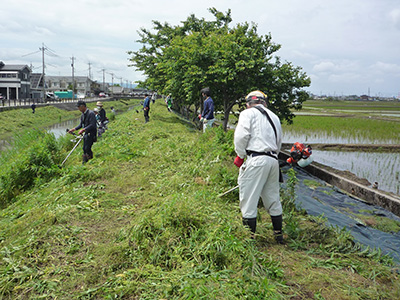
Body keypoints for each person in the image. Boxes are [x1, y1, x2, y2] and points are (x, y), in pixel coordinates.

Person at [233, 90, 284, 244]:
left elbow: (241, 136)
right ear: (264, 102)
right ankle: (278, 236)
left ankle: (249, 239)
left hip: (256, 159)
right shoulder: (274, 117)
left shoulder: (247, 114)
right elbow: (279, 141)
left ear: (248, 103)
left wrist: (240, 155)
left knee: (249, 199)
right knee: (273, 198)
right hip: (273, 160)